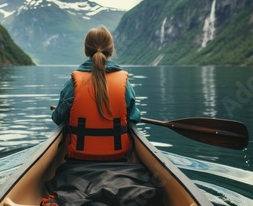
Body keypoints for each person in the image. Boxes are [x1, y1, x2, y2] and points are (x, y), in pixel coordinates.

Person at [43, 26, 163, 206]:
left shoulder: (72, 84)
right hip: (119, 161)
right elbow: (134, 118)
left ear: (86, 50)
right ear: (111, 50)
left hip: (77, 164)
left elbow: (58, 118)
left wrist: (61, 110)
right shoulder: (124, 84)